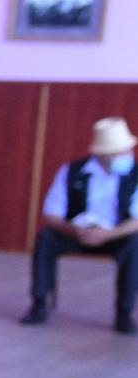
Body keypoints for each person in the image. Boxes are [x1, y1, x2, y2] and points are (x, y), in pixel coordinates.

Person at [20, 116, 138, 334]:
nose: (128, 156)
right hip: (76, 233)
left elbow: (136, 220)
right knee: (45, 238)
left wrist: (109, 234)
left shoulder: (135, 175)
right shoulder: (72, 171)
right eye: (121, 152)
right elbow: (52, 213)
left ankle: (125, 312)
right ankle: (39, 303)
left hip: (116, 234)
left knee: (135, 245)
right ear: (104, 155)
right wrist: (76, 230)